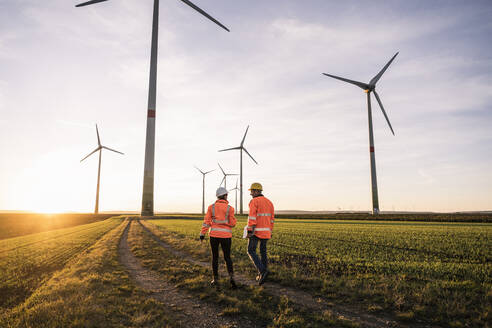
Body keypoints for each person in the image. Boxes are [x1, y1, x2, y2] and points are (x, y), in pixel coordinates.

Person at [200, 187, 237, 289]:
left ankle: (215, 279)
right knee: (227, 257)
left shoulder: (211, 207)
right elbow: (233, 223)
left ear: (217, 196)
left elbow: (206, 222)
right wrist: (228, 222)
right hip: (226, 236)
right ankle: (232, 278)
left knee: (215, 257)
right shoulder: (230, 208)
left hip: (214, 236)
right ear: (225, 196)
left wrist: (202, 234)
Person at [246, 182, 274, 285]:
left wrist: (249, 230)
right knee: (263, 252)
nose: (251, 194)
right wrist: (270, 231)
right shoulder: (269, 202)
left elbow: (252, 218)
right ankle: (263, 274)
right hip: (266, 232)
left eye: (252, 191)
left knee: (250, 250)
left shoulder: (254, 201)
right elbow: (272, 219)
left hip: (256, 231)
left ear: (257, 191)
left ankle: (263, 271)